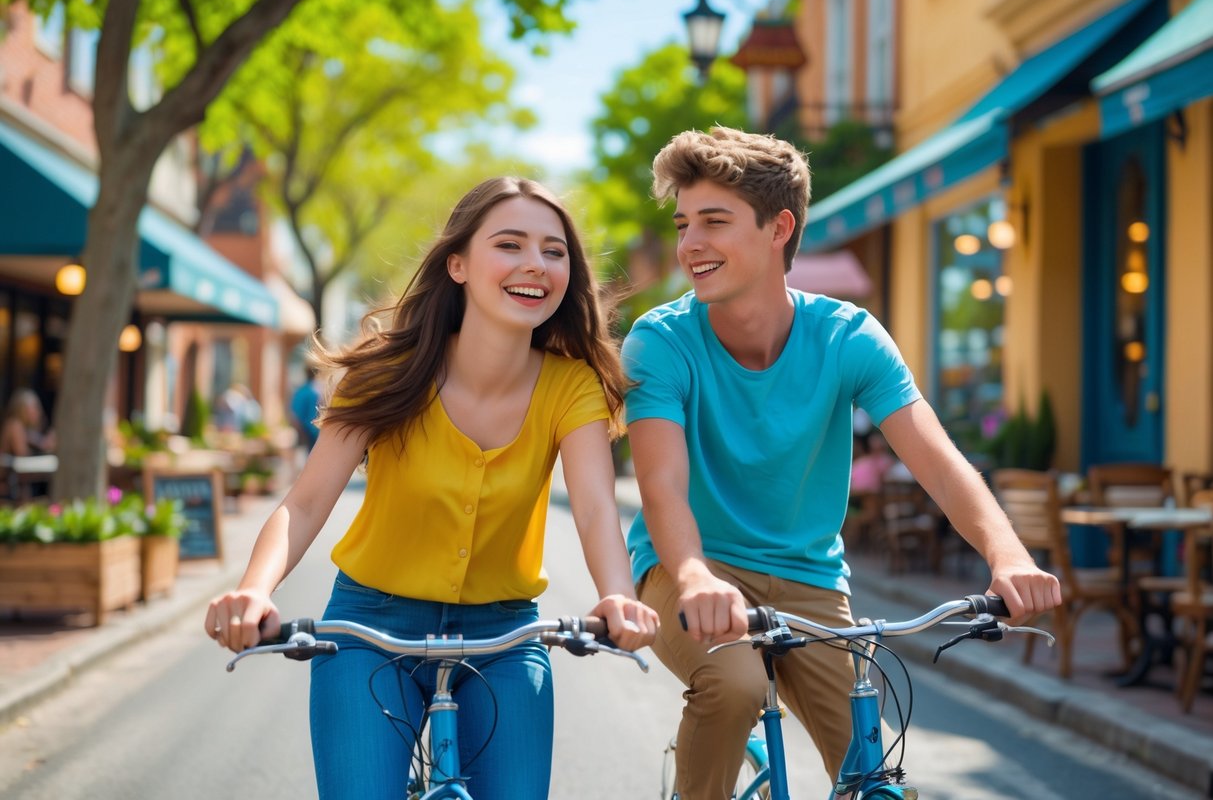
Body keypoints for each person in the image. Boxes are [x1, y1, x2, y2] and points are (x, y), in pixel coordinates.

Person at [621, 127, 1061, 800]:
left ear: (779, 228)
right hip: (691, 567)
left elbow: (940, 466)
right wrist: (693, 576)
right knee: (733, 686)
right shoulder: (660, 342)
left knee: (872, 770)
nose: (689, 245)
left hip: (809, 578)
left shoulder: (847, 337)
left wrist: (1007, 556)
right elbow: (660, 484)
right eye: (683, 224)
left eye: (714, 221)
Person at [204, 176, 659, 800]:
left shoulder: (571, 386)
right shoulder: (386, 371)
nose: (536, 264)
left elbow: (596, 510)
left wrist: (615, 596)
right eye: (510, 244)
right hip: (370, 626)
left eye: (555, 252)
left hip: (505, 634)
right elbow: (306, 502)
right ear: (458, 264)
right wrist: (253, 592)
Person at [1, 388, 55, 457]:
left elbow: (37, 440)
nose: (38, 413)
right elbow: (22, 454)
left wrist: (44, 443)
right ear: (22, 409)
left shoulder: (23, 427)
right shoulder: (15, 425)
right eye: (34, 408)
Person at [289, 367, 323, 452]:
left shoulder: (300, 391)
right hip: (314, 429)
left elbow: (294, 413)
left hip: (304, 428)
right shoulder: (315, 392)